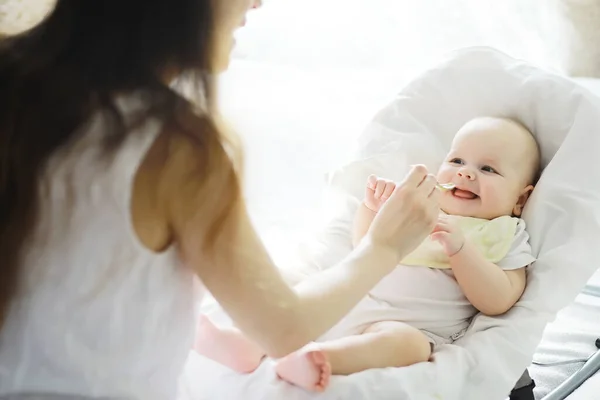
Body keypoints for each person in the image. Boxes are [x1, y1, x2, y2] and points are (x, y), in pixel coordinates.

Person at [0, 0, 440, 398]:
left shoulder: (13, 77)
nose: (258, 2)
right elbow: (283, 326)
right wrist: (382, 247)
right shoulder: (172, 149)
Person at [194, 116, 540, 392]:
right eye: (457, 160)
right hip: (343, 303)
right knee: (295, 289)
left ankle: (317, 358)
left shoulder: (504, 234)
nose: (465, 172)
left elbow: (500, 299)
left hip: (404, 325)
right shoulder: (421, 208)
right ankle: (246, 345)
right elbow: (364, 245)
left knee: (409, 346)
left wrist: (462, 251)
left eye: (488, 169)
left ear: (520, 200)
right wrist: (373, 209)